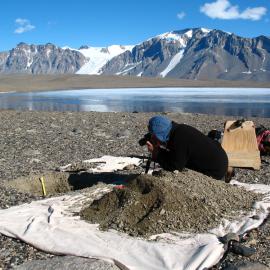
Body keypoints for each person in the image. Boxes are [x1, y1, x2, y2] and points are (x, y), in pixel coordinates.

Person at [145, 115, 228, 180]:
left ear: (160, 135)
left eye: (154, 136)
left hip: (215, 171)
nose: (153, 138)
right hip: (220, 159)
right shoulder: (179, 130)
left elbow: (174, 167)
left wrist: (156, 152)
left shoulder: (179, 138)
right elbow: (175, 155)